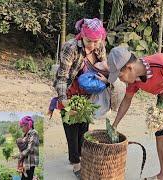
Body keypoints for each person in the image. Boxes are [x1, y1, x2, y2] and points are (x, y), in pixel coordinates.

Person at [107, 47, 163, 180]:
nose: (121, 80)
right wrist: (114, 125)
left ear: (129, 67)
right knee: (159, 130)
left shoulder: (161, 65)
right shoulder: (134, 81)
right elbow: (126, 101)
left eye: (120, 76)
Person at [52, 18, 108, 178]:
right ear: (82, 36)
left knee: (83, 127)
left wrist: (105, 78)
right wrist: (63, 99)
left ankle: (80, 156)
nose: (92, 45)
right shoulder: (70, 48)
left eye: (96, 41)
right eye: (89, 41)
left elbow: (104, 69)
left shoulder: (100, 46)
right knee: (71, 128)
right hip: (70, 90)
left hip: (88, 92)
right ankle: (76, 162)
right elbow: (62, 77)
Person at [16, 116, 40, 180]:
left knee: (27, 177)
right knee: (25, 177)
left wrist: (19, 155)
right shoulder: (26, 134)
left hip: (31, 161)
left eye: (22, 126)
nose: (21, 129)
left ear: (27, 124)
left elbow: (30, 149)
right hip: (26, 161)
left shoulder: (34, 133)